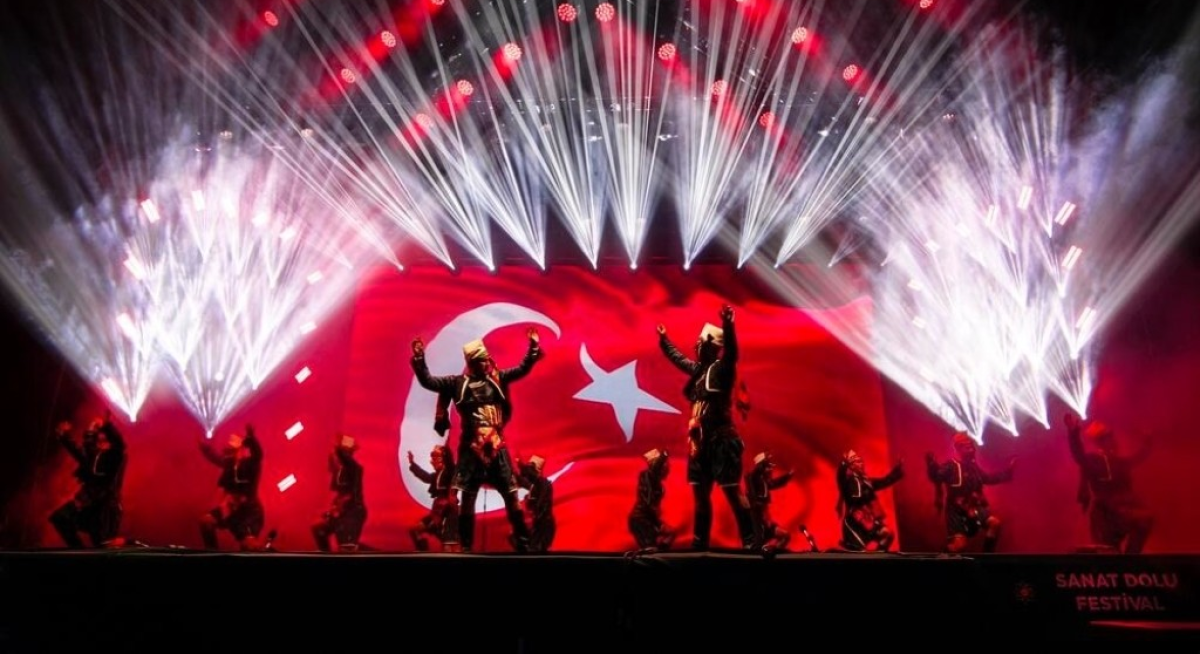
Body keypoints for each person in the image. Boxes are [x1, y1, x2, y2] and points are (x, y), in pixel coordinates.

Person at [410, 328, 542, 552]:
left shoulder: (497, 379)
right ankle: (466, 547)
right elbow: (429, 382)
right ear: (472, 362)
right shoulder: (457, 383)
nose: (487, 363)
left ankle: (523, 543)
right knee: (468, 498)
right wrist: (420, 358)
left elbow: (522, 369)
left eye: (487, 359)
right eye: (482, 360)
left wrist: (533, 348)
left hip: (497, 447)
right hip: (471, 450)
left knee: (511, 494)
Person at [656, 304, 754, 550]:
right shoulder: (699, 371)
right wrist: (664, 340)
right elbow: (678, 359)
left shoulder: (723, 369)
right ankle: (700, 544)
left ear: (710, 346)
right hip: (700, 443)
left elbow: (732, 352)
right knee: (700, 497)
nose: (695, 346)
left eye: (700, 342)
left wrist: (728, 324)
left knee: (733, 492)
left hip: (722, 441)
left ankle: (751, 541)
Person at [1064, 412, 1153, 554]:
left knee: (1144, 522)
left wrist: (1148, 439)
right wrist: (1073, 433)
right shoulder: (1093, 459)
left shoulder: (1119, 461)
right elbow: (1079, 456)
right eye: (1108, 438)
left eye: (1111, 438)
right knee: (1108, 550)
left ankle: (1130, 559)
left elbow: (1139, 457)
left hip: (1120, 512)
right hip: (1103, 515)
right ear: (1101, 442)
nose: (1112, 441)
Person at [926, 431, 1015, 553]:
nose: (972, 449)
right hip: (956, 511)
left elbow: (987, 478)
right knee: (959, 546)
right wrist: (931, 466)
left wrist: (1008, 472)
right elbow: (937, 476)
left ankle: (987, 559)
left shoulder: (973, 467)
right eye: (967, 447)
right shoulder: (951, 466)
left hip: (973, 507)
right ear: (959, 448)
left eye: (972, 446)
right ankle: (942, 556)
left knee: (994, 524)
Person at [48, 412, 127, 548]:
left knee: (102, 546)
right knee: (60, 518)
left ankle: (122, 545)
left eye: (103, 439)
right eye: (98, 439)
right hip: (89, 505)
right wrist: (64, 437)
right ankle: (78, 553)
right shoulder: (94, 457)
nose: (99, 442)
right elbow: (80, 451)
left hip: (105, 508)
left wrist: (106, 425)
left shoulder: (115, 456)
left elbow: (118, 445)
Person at [198, 424, 266, 551]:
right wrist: (205, 448)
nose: (229, 453)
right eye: (229, 450)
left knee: (249, 545)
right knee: (206, 522)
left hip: (249, 512)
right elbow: (216, 458)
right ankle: (212, 554)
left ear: (241, 449)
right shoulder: (229, 464)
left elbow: (258, 455)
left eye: (232, 450)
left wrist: (251, 438)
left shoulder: (250, 464)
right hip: (230, 509)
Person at [836, 449, 903, 552]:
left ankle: (878, 556)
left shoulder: (866, 482)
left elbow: (884, 481)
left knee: (887, 534)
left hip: (868, 520)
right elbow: (850, 493)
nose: (860, 464)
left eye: (860, 461)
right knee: (858, 551)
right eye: (856, 462)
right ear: (851, 466)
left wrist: (897, 471)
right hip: (855, 522)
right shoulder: (849, 481)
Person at [312, 433, 367, 552]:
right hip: (344, 512)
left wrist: (337, 448)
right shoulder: (340, 470)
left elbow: (350, 496)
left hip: (353, 513)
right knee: (319, 531)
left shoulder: (354, 468)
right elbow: (340, 493)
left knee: (346, 548)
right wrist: (333, 509)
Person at [408, 444, 459, 552]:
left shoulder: (450, 471)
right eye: (432, 457)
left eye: (436, 456)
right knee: (415, 530)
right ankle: (424, 553)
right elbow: (425, 476)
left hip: (448, 511)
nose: (433, 460)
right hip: (437, 511)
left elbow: (450, 464)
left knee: (448, 543)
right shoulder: (437, 475)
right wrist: (412, 464)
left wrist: (445, 450)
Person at [627, 449, 676, 553]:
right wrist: (664, 454)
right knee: (650, 549)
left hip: (648, 519)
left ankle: (660, 552)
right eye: (665, 465)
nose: (668, 468)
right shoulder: (648, 475)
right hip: (641, 520)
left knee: (670, 534)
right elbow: (649, 505)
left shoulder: (657, 483)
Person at [745, 451, 793, 554]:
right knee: (759, 542)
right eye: (766, 465)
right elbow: (752, 494)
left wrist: (787, 476)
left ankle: (772, 553)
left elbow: (774, 483)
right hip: (759, 519)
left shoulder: (764, 480)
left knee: (785, 536)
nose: (770, 468)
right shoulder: (753, 478)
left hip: (766, 520)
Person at [516, 455, 555, 553]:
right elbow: (521, 479)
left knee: (535, 549)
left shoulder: (544, 484)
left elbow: (541, 506)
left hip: (544, 526)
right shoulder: (534, 485)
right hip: (538, 525)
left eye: (530, 469)